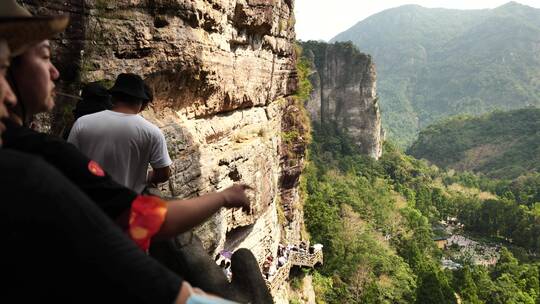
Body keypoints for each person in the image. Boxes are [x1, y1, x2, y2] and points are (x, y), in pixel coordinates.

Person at [68, 73, 171, 193]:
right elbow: (163, 174)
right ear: (141, 102)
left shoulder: (82, 122)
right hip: (125, 204)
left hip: (88, 202)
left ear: (113, 98)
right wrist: (145, 177)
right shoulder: (152, 132)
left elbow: (69, 162)